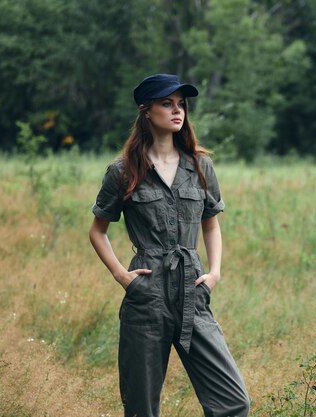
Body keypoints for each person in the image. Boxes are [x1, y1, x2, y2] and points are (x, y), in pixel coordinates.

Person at [89, 74, 250, 417]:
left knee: (234, 403)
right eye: (167, 103)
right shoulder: (124, 171)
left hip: (192, 289)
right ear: (146, 110)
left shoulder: (200, 165)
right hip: (147, 293)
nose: (177, 111)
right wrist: (122, 275)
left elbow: (211, 222)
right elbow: (98, 231)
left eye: (181, 105)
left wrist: (216, 272)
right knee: (141, 407)